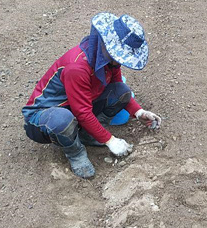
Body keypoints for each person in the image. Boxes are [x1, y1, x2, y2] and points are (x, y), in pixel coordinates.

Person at [22, 13, 162, 178]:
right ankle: (75, 152)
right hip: (46, 114)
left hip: (76, 104)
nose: (121, 62)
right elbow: (82, 111)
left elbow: (116, 85)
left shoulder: (109, 59)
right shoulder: (77, 68)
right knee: (62, 120)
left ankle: (87, 135)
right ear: (107, 44)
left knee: (122, 91)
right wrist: (110, 140)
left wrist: (139, 112)